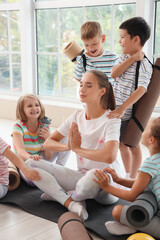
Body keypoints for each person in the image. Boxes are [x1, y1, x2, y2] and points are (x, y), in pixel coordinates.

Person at [25, 70, 122, 220]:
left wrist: (78, 149)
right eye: (81, 84)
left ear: (102, 91)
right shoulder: (76, 116)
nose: (82, 89)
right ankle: (71, 202)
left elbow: (109, 156)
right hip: (81, 177)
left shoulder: (112, 119)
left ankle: (65, 195)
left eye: (88, 86)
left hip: (106, 183)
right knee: (30, 163)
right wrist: (68, 147)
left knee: (92, 177)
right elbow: (48, 143)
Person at [94, 117, 160, 239]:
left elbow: (131, 196)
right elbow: (141, 184)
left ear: (151, 140)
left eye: (145, 130)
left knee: (117, 211)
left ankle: (131, 226)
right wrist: (118, 180)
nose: (142, 131)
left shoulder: (151, 163)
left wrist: (107, 187)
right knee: (147, 192)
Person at [107, 17, 153, 178]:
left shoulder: (145, 65)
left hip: (128, 113)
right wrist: (132, 58)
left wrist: (122, 108)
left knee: (132, 145)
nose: (120, 41)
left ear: (136, 39)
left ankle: (133, 177)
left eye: (122, 37)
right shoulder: (124, 57)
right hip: (116, 110)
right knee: (120, 145)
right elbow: (114, 74)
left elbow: (141, 89)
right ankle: (126, 174)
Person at [12, 94, 69, 185]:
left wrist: (48, 139)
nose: (34, 108)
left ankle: (59, 168)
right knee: (32, 182)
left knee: (65, 136)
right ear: (22, 110)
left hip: (40, 159)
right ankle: (50, 173)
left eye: (37, 105)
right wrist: (31, 157)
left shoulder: (43, 126)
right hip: (26, 162)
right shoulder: (18, 127)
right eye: (29, 106)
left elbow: (49, 156)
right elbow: (20, 151)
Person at [73, 21, 118, 85]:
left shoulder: (113, 57)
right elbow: (77, 77)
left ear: (103, 39)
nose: (91, 48)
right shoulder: (82, 59)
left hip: (109, 94)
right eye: (86, 45)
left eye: (94, 44)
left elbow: (119, 79)